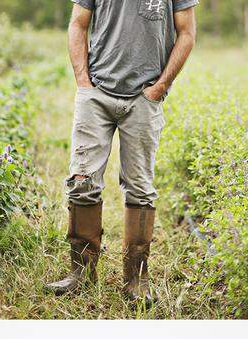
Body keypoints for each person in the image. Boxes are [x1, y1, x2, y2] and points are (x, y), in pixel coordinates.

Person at [46, 0, 197, 304]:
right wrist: (83, 83)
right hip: (96, 95)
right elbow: (77, 24)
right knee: (82, 181)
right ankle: (81, 274)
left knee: (140, 189)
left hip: (144, 99)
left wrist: (160, 87)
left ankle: (136, 280)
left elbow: (187, 33)